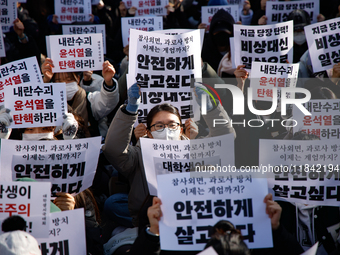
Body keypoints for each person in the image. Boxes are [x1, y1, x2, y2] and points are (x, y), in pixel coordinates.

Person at [102, 83, 235, 227]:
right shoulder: (139, 153)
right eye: (159, 126)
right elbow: (113, 149)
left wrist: (211, 110)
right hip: (150, 219)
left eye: (172, 125)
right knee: (113, 204)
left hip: (192, 216)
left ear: (181, 129)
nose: (167, 130)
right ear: (149, 133)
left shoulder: (197, 149)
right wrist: (129, 111)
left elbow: (224, 138)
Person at [41, 58, 119, 137]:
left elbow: (107, 102)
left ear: (78, 79)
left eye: (68, 79)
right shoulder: (50, 104)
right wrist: (45, 81)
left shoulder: (88, 99)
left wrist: (108, 81)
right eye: (59, 81)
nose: (64, 84)